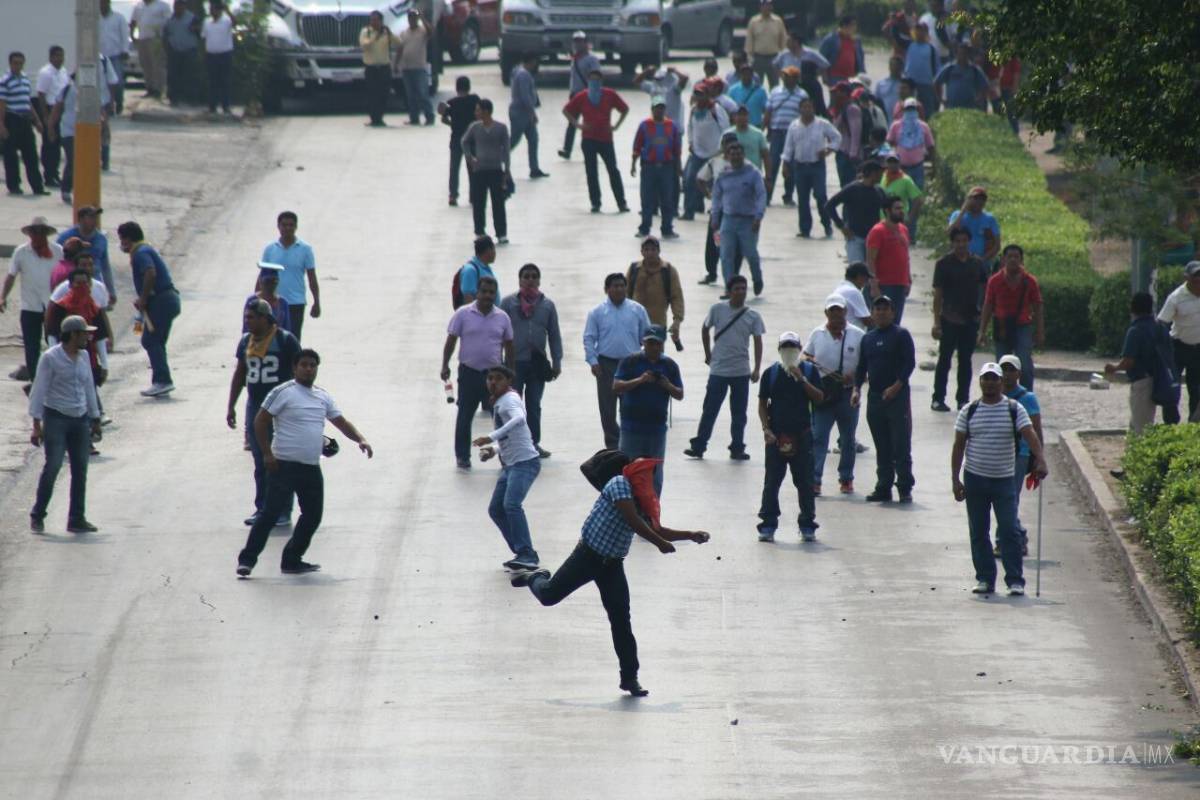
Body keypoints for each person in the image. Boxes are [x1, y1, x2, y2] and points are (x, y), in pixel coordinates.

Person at [512, 452, 711, 698]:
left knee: (621, 621)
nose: (648, 480)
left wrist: (690, 534)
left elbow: (658, 528)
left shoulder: (640, 499)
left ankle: (630, 678)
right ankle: (535, 576)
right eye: (645, 475)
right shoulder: (619, 484)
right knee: (549, 596)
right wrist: (659, 543)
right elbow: (634, 521)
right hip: (587, 556)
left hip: (612, 565)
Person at [236, 348, 373, 577]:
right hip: (283, 466)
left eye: (313, 365)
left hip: (310, 467)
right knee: (269, 514)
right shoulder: (283, 392)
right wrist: (267, 454)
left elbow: (340, 421)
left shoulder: (322, 396)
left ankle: (292, 559)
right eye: (304, 365)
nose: (309, 369)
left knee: (313, 515)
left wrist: (360, 439)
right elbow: (259, 422)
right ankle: (247, 561)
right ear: (295, 367)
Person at [951, 362, 1048, 596]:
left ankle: (1015, 580)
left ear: (1001, 383)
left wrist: (1040, 459)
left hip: (1004, 479)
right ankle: (984, 578)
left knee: (1009, 529)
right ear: (980, 381)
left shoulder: (1014, 409)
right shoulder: (969, 410)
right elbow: (958, 446)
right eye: (986, 378)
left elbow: (1030, 434)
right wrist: (955, 479)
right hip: (975, 478)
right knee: (979, 530)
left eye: (994, 379)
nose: (990, 383)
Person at [227, 299, 301, 527]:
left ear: (264, 318)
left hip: (280, 407)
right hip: (256, 406)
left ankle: (283, 510)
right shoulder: (245, 342)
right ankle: (263, 508)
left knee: (281, 458)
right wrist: (231, 406)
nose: (247, 322)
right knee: (260, 459)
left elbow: (298, 372)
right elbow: (240, 375)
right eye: (246, 317)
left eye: (251, 317)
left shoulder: (285, 340)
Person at [26, 315, 102, 535]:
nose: (87, 337)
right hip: (56, 417)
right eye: (84, 333)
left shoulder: (84, 356)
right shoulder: (51, 358)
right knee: (53, 466)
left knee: (80, 469)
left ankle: (77, 518)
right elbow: (38, 390)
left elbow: (89, 388)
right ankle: (38, 514)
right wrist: (36, 425)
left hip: (80, 418)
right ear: (73, 335)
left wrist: (95, 419)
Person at [685, 274, 764, 460]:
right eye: (737, 289)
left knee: (739, 414)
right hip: (719, 370)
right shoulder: (717, 309)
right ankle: (699, 445)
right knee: (710, 410)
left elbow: (758, 342)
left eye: (744, 288)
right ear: (729, 291)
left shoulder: (753, 316)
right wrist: (708, 354)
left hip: (741, 371)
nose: (741, 292)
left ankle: (737, 447)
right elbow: (705, 328)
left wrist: (757, 368)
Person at [472, 364, 543, 570]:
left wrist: (490, 436)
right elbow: (511, 435)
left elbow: (519, 419)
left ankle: (527, 554)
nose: (492, 382)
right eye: (490, 378)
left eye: (498, 378)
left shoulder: (509, 401)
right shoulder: (502, 401)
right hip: (511, 465)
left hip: (524, 464)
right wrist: (493, 450)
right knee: (496, 509)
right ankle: (522, 551)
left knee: (511, 505)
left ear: (508, 381)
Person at [757, 331, 824, 541]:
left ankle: (807, 524)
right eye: (785, 348)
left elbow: (819, 398)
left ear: (799, 349)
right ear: (779, 350)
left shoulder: (809, 371)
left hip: (802, 436)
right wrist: (766, 429)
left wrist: (801, 379)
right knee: (771, 483)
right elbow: (762, 403)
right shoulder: (771, 373)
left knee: (805, 482)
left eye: (793, 348)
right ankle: (768, 524)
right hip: (776, 437)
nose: (789, 351)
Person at [441, 276, 514, 468]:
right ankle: (462, 456)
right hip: (469, 373)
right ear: (477, 292)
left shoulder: (502, 317)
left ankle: (505, 456)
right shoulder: (463, 314)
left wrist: (510, 374)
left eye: (491, 292)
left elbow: (509, 346)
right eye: (484, 291)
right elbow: (451, 340)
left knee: (500, 418)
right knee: (465, 416)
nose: (488, 296)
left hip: (495, 377)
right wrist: (444, 365)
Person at [852, 295, 915, 503]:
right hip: (876, 398)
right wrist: (856, 390)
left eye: (885, 309)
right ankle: (883, 486)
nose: (881, 312)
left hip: (897, 397)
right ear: (872, 313)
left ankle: (904, 487)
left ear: (892, 312)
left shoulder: (901, 335)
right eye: (877, 309)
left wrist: (897, 386)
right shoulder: (868, 338)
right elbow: (861, 368)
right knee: (883, 445)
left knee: (900, 444)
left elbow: (909, 364)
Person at [499, 263, 561, 457]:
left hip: (537, 364)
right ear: (519, 280)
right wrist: (497, 363)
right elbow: (498, 332)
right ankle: (513, 445)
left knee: (534, 405)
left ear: (539, 280)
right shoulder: (508, 303)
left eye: (534, 276)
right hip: (513, 364)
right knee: (512, 406)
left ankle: (533, 444)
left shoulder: (547, 305)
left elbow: (554, 335)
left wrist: (557, 361)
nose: (530, 280)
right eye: (526, 276)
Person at [613, 325, 683, 496]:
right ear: (643, 342)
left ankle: (652, 513)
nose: (654, 347)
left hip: (656, 429)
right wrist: (640, 380)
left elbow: (680, 394)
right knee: (628, 471)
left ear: (663, 344)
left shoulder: (669, 365)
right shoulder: (630, 361)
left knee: (655, 474)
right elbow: (616, 387)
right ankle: (628, 510)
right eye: (650, 343)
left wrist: (666, 385)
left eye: (657, 344)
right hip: (631, 427)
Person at [583, 273, 651, 449]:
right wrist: (593, 361)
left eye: (622, 285)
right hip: (606, 366)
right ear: (607, 289)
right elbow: (589, 338)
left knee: (632, 407)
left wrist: (647, 359)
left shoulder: (638, 310)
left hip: (632, 365)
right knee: (607, 410)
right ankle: (613, 447)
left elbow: (648, 336)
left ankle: (631, 444)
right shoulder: (597, 312)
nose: (619, 289)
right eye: (615, 286)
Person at [806, 295, 865, 495]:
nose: (836, 314)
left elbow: (866, 365)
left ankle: (846, 478)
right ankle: (815, 480)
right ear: (826, 313)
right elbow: (805, 355)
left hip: (848, 395)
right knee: (819, 437)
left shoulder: (857, 335)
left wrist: (855, 378)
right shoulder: (817, 334)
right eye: (832, 311)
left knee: (848, 439)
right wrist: (815, 365)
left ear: (846, 312)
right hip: (824, 395)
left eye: (839, 310)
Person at [117, 221, 182, 397]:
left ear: (127, 239)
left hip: (161, 301)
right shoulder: (144, 250)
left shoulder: (140, 252)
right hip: (166, 300)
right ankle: (161, 379)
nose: (120, 244)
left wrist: (144, 298)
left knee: (151, 340)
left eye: (121, 239)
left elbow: (150, 272)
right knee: (156, 341)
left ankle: (162, 380)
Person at [931, 226, 988, 411]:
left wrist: (982, 322)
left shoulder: (977, 264)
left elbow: (984, 290)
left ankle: (962, 399)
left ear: (969, 241)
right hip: (949, 318)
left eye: (964, 241)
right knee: (944, 360)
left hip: (970, 319)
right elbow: (938, 295)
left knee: (965, 361)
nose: (961, 245)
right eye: (957, 241)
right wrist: (936, 322)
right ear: (952, 242)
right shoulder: (943, 263)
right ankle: (938, 398)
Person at [1108, 293, 1182, 433]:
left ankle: (1138, 453)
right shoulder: (1161, 328)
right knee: (1138, 423)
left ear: (1132, 308)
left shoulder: (1135, 331)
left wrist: (1114, 368)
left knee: (1141, 426)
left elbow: (1129, 361)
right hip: (1162, 378)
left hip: (1143, 381)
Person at [2, 217, 62, 382]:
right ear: (30, 235)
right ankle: (35, 379)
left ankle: (55, 377)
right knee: (31, 345)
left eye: (41, 232)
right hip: (30, 306)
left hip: (53, 305)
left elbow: (65, 275)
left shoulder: (58, 251)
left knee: (54, 343)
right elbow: (11, 276)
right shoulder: (21, 252)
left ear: (45, 235)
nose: (37, 236)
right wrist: (2, 297)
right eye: (34, 232)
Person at [563, 69, 630, 214]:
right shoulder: (582, 96)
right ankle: (595, 202)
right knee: (591, 172)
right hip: (588, 139)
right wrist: (577, 124)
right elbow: (566, 110)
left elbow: (624, 109)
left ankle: (621, 203)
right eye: (591, 80)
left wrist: (616, 126)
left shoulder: (609, 94)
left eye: (597, 80)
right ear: (588, 81)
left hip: (606, 139)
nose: (594, 83)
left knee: (613, 170)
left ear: (601, 81)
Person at [978, 244, 1042, 390]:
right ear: (1003, 259)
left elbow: (1038, 306)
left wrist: (1040, 331)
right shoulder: (995, 281)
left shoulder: (1029, 281)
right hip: (1001, 327)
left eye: (1016, 257)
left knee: (1024, 365)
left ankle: (1026, 396)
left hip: (1023, 326)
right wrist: (982, 330)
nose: (1013, 260)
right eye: (1009, 256)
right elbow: (988, 306)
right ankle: (1002, 398)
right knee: (1002, 367)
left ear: (1021, 260)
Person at [999, 354, 1044, 554]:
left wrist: (1039, 458)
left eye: (1011, 370)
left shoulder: (1028, 398)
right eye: (1004, 369)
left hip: (1021, 455)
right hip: (999, 454)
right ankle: (1019, 535)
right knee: (1003, 498)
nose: (1007, 374)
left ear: (1019, 373)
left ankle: (1003, 541)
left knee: (1009, 498)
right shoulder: (994, 395)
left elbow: (1036, 429)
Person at [711, 140, 767, 294]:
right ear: (727, 156)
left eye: (738, 153)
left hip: (748, 221)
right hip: (728, 220)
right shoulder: (723, 175)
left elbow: (761, 195)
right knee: (725, 254)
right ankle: (729, 288)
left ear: (743, 155)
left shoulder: (753, 173)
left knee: (750, 254)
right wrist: (714, 216)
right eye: (732, 154)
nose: (735, 156)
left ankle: (757, 279)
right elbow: (716, 197)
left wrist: (758, 216)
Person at [782, 97, 840, 238]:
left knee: (820, 196)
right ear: (800, 109)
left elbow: (837, 137)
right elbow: (789, 147)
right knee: (803, 199)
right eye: (804, 107)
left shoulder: (822, 124)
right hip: (800, 166)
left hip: (817, 166)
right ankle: (805, 229)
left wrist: (828, 150)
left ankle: (827, 224)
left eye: (810, 107)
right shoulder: (794, 126)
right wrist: (785, 164)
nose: (807, 110)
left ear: (813, 108)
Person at [261, 211, 320, 342]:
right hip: (273, 302)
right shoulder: (270, 249)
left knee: (293, 339)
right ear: (278, 226)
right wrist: (257, 298)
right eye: (284, 225)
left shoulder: (305, 249)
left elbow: (312, 277)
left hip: (296, 302)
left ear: (296, 227)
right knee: (271, 338)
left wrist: (316, 302)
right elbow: (262, 276)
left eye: (291, 225)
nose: (287, 228)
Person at [630, 97, 682, 239]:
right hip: (649, 167)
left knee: (667, 199)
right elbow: (637, 146)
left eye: (661, 107)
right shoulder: (644, 125)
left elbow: (677, 149)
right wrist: (633, 164)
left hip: (667, 167)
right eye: (656, 108)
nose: (659, 110)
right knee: (647, 199)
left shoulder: (672, 126)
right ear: (652, 109)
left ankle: (667, 228)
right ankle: (644, 228)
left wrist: (678, 167)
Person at [461, 99, 511, 244]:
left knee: (498, 203)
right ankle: (479, 231)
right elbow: (464, 141)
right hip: (479, 171)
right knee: (479, 202)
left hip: (496, 170)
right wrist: (470, 157)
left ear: (486, 111)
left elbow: (506, 150)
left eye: (478, 110)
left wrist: (507, 169)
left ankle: (501, 233)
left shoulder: (501, 128)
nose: (476, 113)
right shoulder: (474, 127)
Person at [1156, 261, 1200, 422]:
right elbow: (1162, 323)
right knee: (1172, 387)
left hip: (1198, 349)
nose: (1198, 283)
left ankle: (1194, 426)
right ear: (1186, 278)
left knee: (1196, 389)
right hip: (1178, 347)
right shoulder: (1176, 298)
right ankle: (1171, 424)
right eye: (1195, 279)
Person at [697, 133, 742, 286]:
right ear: (723, 146)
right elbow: (700, 178)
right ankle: (712, 272)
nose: (731, 149)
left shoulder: (745, 165)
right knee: (715, 242)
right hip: (719, 212)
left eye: (734, 145)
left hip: (738, 212)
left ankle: (734, 274)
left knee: (737, 244)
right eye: (728, 145)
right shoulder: (715, 162)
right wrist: (709, 195)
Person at [1, 52, 49, 196]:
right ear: (10, 64)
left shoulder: (25, 79)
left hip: (25, 120)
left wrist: (37, 120)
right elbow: (1, 105)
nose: (18, 65)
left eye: (20, 63)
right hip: (11, 119)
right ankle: (14, 186)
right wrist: (1, 126)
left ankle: (37, 187)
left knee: (31, 155)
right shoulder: (5, 81)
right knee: (11, 157)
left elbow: (27, 101)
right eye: (15, 63)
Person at [680, 83, 729, 220]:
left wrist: (724, 148)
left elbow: (726, 128)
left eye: (701, 94)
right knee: (689, 180)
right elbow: (690, 127)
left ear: (707, 95)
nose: (698, 97)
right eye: (696, 93)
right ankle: (689, 211)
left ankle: (717, 211)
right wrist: (690, 142)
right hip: (697, 153)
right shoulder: (694, 110)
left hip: (715, 153)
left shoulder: (716, 109)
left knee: (717, 183)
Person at [625, 236, 684, 347]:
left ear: (659, 251)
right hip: (634, 324)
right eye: (646, 249)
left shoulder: (668, 270)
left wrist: (677, 321)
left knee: (655, 359)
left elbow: (676, 297)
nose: (650, 253)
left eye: (653, 249)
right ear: (641, 252)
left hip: (658, 325)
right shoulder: (634, 269)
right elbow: (625, 294)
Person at [761, 66, 807, 206]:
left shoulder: (802, 95)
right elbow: (769, 111)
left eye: (790, 76)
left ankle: (788, 195)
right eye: (785, 76)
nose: (787, 79)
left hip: (793, 134)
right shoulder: (775, 92)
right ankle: (767, 196)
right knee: (772, 164)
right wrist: (763, 129)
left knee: (792, 165)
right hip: (776, 132)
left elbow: (804, 114)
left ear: (796, 79)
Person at [826, 159, 886, 264]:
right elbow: (829, 205)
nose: (882, 176)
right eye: (880, 173)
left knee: (872, 273)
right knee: (857, 272)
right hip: (855, 238)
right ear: (872, 173)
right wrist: (841, 226)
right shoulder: (853, 189)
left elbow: (887, 210)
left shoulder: (879, 191)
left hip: (874, 239)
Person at [865, 196, 912, 322]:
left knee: (895, 323)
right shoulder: (878, 231)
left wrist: (908, 280)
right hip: (884, 285)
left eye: (902, 208)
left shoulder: (904, 229)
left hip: (900, 285)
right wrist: (874, 286)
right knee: (880, 323)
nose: (901, 211)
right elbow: (870, 260)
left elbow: (906, 256)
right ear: (887, 211)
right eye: (897, 208)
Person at [53, 209, 111, 309]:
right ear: (80, 219)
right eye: (91, 217)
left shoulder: (101, 239)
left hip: (94, 287)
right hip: (73, 287)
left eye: (96, 217)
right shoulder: (65, 238)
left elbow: (105, 266)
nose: (95, 220)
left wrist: (111, 290)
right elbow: (56, 264)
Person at [558, 31, 602, 160]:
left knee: (591, 123)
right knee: (572, 122)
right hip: (575, 95)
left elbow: (596, 78)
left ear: (586, 43)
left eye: (580, 41)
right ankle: (567, 149)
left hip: (587, 95)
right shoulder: (575, 59)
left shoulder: (591, 59)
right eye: (575, 41)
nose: (577, 44)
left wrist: (594, 94)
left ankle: (595, 148)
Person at [438, 76, 480, 206]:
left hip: (456, 138)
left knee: (454, 168)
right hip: (472, 139)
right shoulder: (475, 100)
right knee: (472, 168)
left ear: (457, 88)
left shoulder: (451, 102)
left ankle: (453, 196)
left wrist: (453, 124)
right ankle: (474, 196)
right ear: (469, 87)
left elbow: (443, 119)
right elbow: (480, 116)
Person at [509, 53, 548, 180]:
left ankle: (534, 168)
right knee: (514, 140)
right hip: (521, 112)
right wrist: (532, 112)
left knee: (533, 139)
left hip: (523, 112)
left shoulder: (518, 71)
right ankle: (495, 159)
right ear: (531, 61)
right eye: (535, 62)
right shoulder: (524, 75)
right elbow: (525, 96)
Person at [394, 9, 434, 125]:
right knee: (410, 96)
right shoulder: (404, 32)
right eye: (410, 17)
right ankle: (414, 118)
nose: (412, 19)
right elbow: (400, 49)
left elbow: (431, 32)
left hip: (419, 67)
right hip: (406, 68)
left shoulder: (422, 31)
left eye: (414, 17)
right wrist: (396, 64)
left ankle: (429, 116)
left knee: (422, 93)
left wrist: (423, 18)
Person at [35, 46, 68, 188]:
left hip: (60, 111)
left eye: (61, 55)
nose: (60, 59)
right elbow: (41, 95)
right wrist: (45, 117)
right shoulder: (46, 73)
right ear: (51, 57)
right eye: (57, 56)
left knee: (57, 146)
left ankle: (54, 174)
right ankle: (48, 176)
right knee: (49, 145)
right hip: (49, 109)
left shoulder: (63, 71)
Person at [358, 11, 397, 127]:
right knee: (372, 94)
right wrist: (376, 36)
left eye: (376, 20)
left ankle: (380, 117)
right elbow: (364, 45)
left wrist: (390, 33)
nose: (374, 22)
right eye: (372, 20)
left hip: (384, 68)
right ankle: (374, 118)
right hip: (371, 68)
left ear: (381, 21)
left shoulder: (386, 32)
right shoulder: (366, 32)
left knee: (384, 93)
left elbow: (398, 43)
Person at [885, 100, 935, 190]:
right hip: (900, 167)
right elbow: (888, 143)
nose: (910, 112)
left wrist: (934, 165)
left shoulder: (923, 126)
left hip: (918, 167)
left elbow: (930, 146)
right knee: (900, 192)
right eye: (908, 109)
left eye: (913, 109)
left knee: (917, 193)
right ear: (903, 110)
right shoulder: (896, 125)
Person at [948, 185, 1000, 269]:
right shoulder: (957, 215)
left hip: (981, 265)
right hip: (958, 263)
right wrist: (963, 211)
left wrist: (981, 260)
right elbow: (950, 232)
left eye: (982, 199)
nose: (979, 202)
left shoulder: (990, 219)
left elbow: (997, 245)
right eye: (975, 198)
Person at [131, 0, 171, 100]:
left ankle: (159, 89)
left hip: (156, 38)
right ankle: (150, 88)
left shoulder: (162, 6)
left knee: (157, 64)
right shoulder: (138, 6)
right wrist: (132, 35)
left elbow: (168, 22)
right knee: (145, 64)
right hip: (142, 37)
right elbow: (133, 21)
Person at [162, 0, 200, 106]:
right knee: (173, 76)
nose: (178, 7)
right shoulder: (170, 20)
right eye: (176, 5)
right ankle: (174, 99)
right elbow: (165, 35)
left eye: (180, 5)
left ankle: (191, 99)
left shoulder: (193, 18)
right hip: (174, 51)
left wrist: (195, 29)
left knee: (190, 76)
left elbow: (200, 33)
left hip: (189, 50)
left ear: (184, 6)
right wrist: (167, 49)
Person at [637, 65, 689, 140]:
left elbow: (685, 78)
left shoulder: (675, 88)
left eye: (661, 78)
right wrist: (647, 71)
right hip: (659, 128)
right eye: (657, 78)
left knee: (675, 151)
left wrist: (675, 70)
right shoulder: (652, 87)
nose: (659, 80)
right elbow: (636, 81)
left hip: (674, 129)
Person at [828, 82, 863, 188]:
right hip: (841, 151)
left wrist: (853, 154)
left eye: (837, 92)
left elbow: (855, 133)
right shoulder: (839, 109)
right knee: (843, 183)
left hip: (848, 154)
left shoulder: (852, 109)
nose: (834, 95)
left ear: (845, 93)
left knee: (848, 183)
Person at [745, 1, 787, 88]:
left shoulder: (778, 21)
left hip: (774, 58)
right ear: (760, 7)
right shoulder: (754, 21)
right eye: (764, 5)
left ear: (772, 7)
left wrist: (783, 58)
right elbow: (749, 41)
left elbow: (783, 41)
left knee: (775, 85)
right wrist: (749, 58)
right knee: (756, 86)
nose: (767, 8)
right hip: (758, 58)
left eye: (769, 5)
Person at [100, 0, 131, 115]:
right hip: (101, 56)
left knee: (117, 82)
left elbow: (124, 34)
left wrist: (125, 50)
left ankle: (119, 102)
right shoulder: (95, 19)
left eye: (104, 2)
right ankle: (107, 106)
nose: (102, 5)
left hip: (115, 55)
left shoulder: (119, 18)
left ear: (109, 3)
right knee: (104, 83)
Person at [935, 44, 988, 111]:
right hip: (951, 107)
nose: (962, 56)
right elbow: (936, 83)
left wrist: (979, 99)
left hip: (970, 107)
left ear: (969, 55)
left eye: (965, 53)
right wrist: (941, 100)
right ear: (956, 54)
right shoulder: (950, 68)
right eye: (960, 53)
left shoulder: (974, 69)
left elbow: (985, 86)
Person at [903, 22, 940, 116]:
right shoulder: (910, 45)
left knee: (927, 112)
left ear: (926, 32)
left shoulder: (931, 49)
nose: (919, 33)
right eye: (917, 30)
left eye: (922, 30)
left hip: (926, 85)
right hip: (910, 85)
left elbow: (937, 69)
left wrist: (936, 87)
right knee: (909, 110)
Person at [880, 151, 923, 229]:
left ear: (899, 163)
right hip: (883, 221)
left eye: (895, 162)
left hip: (899, 221)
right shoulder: (882, 176)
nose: (892, 164)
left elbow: (918, 199)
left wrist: (910, 218)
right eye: (890, 162)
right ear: (885, 163)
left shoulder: (906, 180)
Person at [819, 14, 865, 83]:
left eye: (855, 25)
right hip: (835, 77)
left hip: (852, 77)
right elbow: (822, 58)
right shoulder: (831, 39)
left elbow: (860, 58)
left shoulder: (856, 41)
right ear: (844, 26)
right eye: (852, 25)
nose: (854, 28)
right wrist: (824, 75)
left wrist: (862, 74)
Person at [457, 235, 498, 307]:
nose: (495, 253)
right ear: (488, 250)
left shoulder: (485, 268)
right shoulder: (470, 270)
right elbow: (468, 298)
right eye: (494, 249)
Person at [726, 105, 769, 173]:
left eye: (744, 115)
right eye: (739, 115)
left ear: (748, 116)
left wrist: (768, 177)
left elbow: (766, 156)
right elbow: (721, 156)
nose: (742, 117)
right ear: (734, 117)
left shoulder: (758, 134)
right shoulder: (727, 134)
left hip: (753, 175)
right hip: (732, 174)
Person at [833, 262, 873, 328]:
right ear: (859, 276)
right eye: (866, 278)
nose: (867, 282)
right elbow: (867, 321)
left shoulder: (839, 288)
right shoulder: (854, 292)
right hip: (851, 334)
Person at [876, 56, 904, 124]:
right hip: (883, 120)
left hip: (900, 121)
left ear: (901, 68)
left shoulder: (905, 85)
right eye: (893, 66)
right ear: (889, 67)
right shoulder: (881, 84)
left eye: (897, 66)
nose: (894, 68)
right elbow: (876, 102)